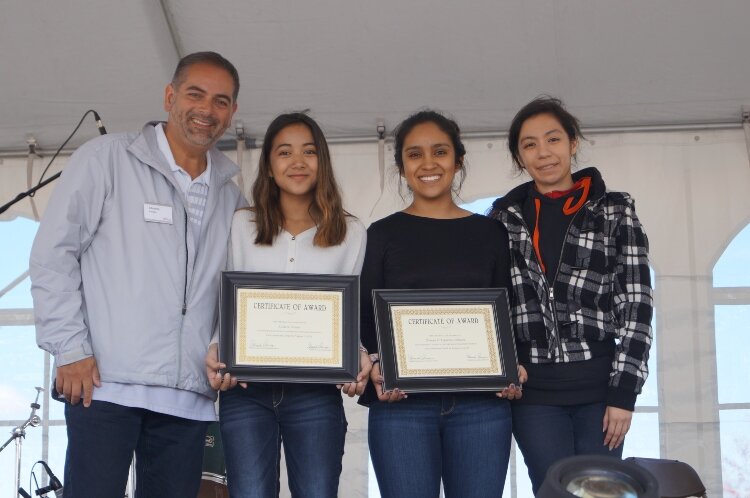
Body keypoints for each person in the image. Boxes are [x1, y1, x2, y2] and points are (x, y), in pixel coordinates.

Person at [29, 51, 245, 498]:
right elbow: (53, 254)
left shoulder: (232, 197)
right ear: (170, 97)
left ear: (233, 112)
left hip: (188, 399)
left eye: (221, 101)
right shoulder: (105, 159)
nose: (207, 110)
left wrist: (224, 351)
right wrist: (69, 348)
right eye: (195, 94)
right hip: (103, 387)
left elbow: (234, 295)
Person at [488, 96, 653, 493]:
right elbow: (492, 304)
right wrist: (506, 364)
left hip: (601, 390)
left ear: (572, 142)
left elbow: (637, 305)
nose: (543, 153)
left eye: (553, 139)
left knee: (600, 492)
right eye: (529, 145)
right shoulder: (501, 221)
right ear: (519, 157)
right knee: (553, 490)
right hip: (534, 395)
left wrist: (624, 393)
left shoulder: (615, 211)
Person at [359, 110, 524, 498]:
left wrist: (510, 365)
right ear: (402, 166)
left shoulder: (491, 233)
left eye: (440, 152)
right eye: (415, 155)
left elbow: (508, 311)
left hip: (482, 408)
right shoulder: (380, 235)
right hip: (402, 409)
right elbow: (366, 319)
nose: (429, 164)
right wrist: (380, 366)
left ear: (459, 160)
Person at [205, 113, 369, 498]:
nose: (298, 162)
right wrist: (217, 347)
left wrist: (357, 356)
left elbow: (350, 312)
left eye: (309, 151)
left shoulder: (351, 232)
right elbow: (221, 300)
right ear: (269, 165)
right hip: (244, 391)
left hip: (315, 394)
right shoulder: (240, 225)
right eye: (285, 152)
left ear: (322, 161)